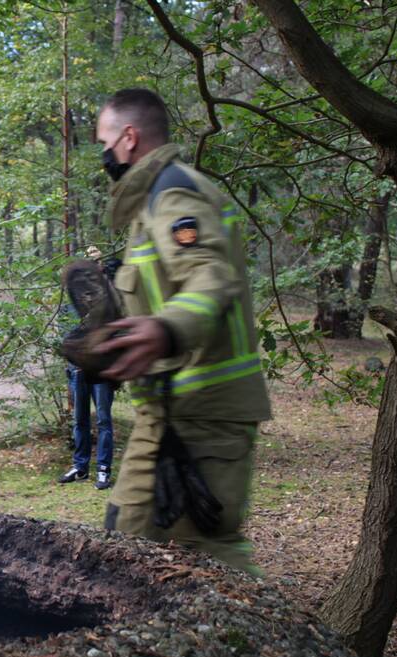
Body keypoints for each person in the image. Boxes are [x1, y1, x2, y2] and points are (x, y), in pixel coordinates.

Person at [88, 89, 272, 573]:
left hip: (207, 415)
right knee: (125, 539)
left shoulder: (173, 192)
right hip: (169, 416)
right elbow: (163, 289)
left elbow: (211, 275)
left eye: (103, 141)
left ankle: (263, 645)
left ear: (129, 138)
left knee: (206, 559)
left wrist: (166, 331)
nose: (102, 154)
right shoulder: (150, 206)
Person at [59, 247, 117, 490]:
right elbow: (65, 333)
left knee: (103, 420)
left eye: (96, 261)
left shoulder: (109, 295)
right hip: (78, 370)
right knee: (79, 420)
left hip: (101, 370)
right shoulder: (71, 299)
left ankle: (103, 469)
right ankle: (80, 466)